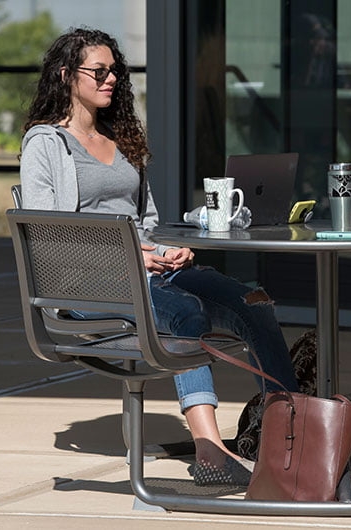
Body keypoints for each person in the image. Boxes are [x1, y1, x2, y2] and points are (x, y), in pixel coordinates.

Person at [19, 27, 299, 487]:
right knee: (186, 312)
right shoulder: (46, 144)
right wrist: (129, 259)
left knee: (253, 302)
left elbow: (145, 222)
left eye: (115, 71)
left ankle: (288, 437)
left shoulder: (121, 139)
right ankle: (211, 451)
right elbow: (50, 236)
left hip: (145, 272)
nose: (111, 79)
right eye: (99, 71)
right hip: (86, 283)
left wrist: (164, 250)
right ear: (67, 75)